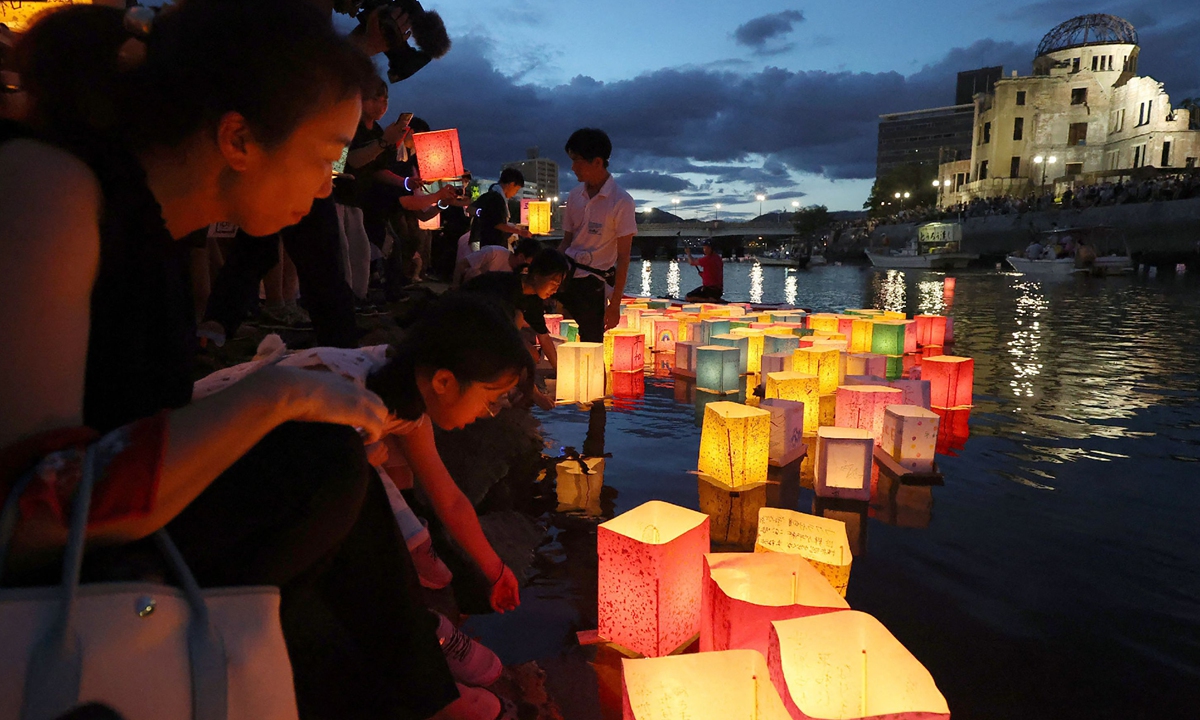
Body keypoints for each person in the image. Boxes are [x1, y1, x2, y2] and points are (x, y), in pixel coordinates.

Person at [0, 3, 509, 718]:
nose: (331, 181)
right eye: (325, 153)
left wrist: (286, 406)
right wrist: (271, 397)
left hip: (110, 529)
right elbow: (30, 509)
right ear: (238, 137)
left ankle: (416, 688)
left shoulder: (153, 230)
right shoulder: (47, 189)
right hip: (45, 580)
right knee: (316, 465)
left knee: (326, 462)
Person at [557, 128, 636, 342]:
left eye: (577, 161)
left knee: (592, 344)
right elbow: (566, 241)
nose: (573, 167)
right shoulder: (574, 196)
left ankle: (593, 376)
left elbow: (624, 257)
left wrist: (615, 304)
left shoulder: (621, 201)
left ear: (598, 162)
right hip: (566, 275)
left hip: (594, 283)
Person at [463, 249, 570, 373]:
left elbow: (544, 337)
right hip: (468, 329)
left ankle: (529, 391)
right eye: (553, 284)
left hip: (495, 335)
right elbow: (504, 332)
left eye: (558, 286)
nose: (555, 290)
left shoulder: (533, 298)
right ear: (536, 275)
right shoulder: (504, 287)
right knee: (520, 333)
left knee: (530, 354)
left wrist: (562, 373)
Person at [471, 167, 531, 248]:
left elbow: (470, 208)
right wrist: (519, 231)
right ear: (512, 184)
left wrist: (482, 213)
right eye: (516, 190)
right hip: (493, 244)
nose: (515, 193)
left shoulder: (491, 193)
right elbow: (498, 224)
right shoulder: (496, 198)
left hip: (487, 243)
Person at [453, 236, 541, 286]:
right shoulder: (494, 253)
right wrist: (455, 288)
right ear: (521, 257)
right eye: (530, 263)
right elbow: (462, 264)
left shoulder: (517, 275)